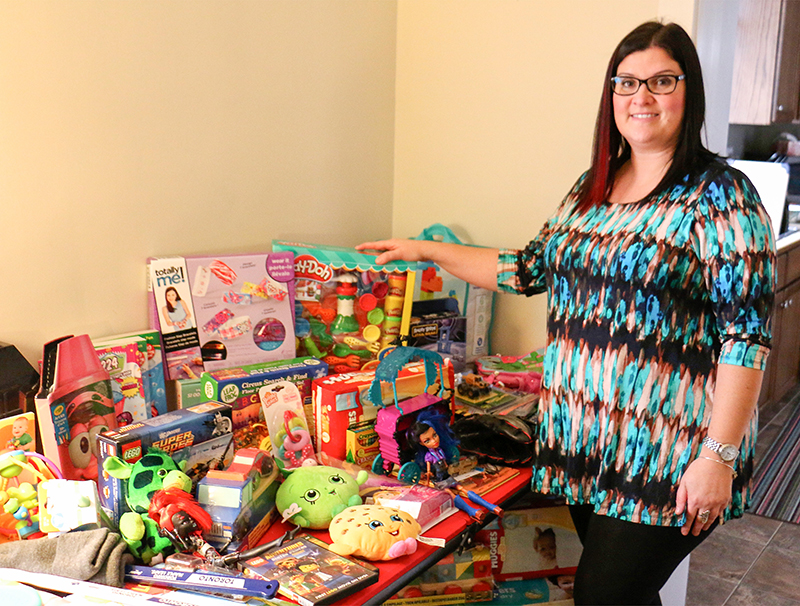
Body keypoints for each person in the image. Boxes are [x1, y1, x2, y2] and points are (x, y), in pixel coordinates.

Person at [358, 20, 775, 605]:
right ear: (611, 95)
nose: (642, 97)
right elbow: (529, 268)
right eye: (626, 82)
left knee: (603, 595)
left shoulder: (722, 195)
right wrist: (426, 250)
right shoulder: (592, 187)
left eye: (662, 80)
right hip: (583, 436)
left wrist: (719, 457)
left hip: (667, 450)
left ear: (690, 91)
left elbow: (746, 335)